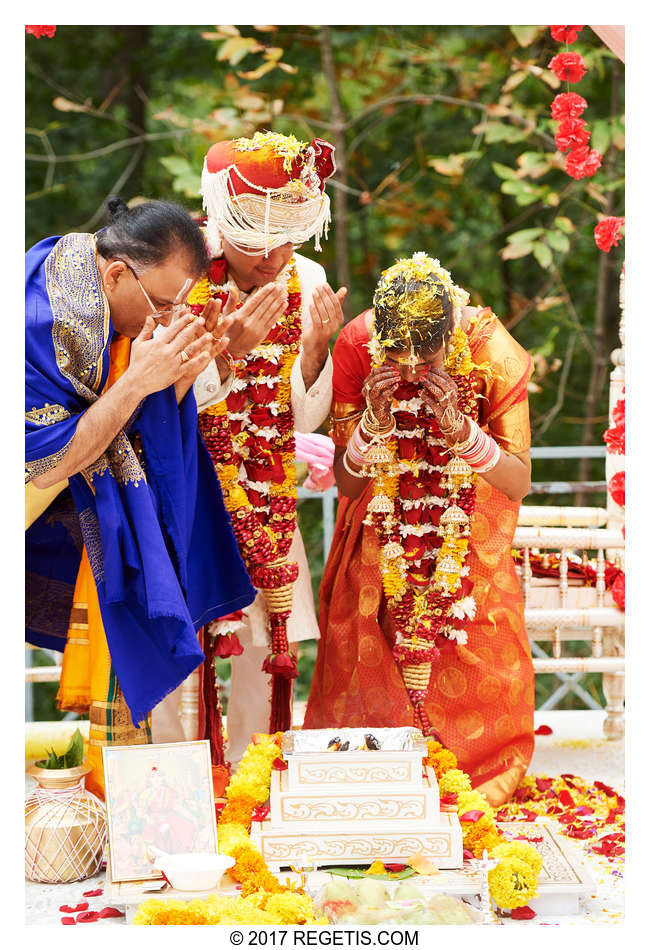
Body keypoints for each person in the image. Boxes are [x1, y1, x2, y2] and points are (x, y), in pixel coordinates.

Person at [25, 197, 259, 796]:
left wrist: (187, 367)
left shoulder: (97, 280)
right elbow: (51, 458)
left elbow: (127, 420)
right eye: (160, 305)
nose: (163, 318)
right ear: (115, 273)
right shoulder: (41, 321)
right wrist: (141, 379)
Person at [304, 253, 535, 806]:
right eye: (396, 354)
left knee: (477, 647)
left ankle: (470, 777)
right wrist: (372, 426)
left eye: (425, 356)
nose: (408, 370)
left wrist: (462, 432)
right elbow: (348, 485)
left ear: (450, 333)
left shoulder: (490, 352)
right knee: (371, 644)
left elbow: (519, 480)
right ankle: (384, 780)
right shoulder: (357, 346)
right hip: (382, 529)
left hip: (466, 528)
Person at [162, 131, 346, 765]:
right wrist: (226, 353)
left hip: (268, 494)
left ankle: (253, 782)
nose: (274, 258)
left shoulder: (308, 277)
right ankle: (175, 791)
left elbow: (300, 415)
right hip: (187, 493)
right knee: (186, 640)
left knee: (270, 640)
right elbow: (157, 397)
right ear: (219, 222)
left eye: (289, 239)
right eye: (257, 241)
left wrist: (318, 351)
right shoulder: (179, 273)